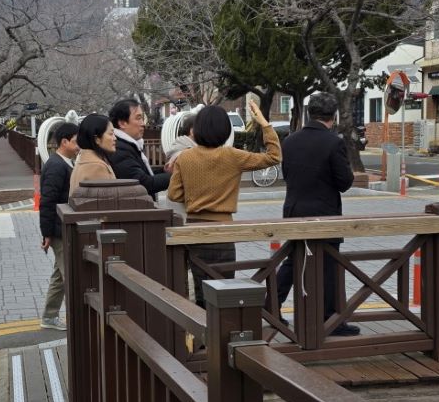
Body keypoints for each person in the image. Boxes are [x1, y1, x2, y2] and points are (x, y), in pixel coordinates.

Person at [168, 101, 280, 307]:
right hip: (223, 232)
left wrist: (196, 193)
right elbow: (274, 157)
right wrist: (263, 123)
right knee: (224, 293)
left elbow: (174, 195)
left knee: (201, 293)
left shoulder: (185, 157)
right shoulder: (232, 156)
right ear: (225, 129)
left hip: (195, 231)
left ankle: (202, 336)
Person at [274, 93, 360, 337]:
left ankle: (271, 305)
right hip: (324, 212)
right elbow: (344, 182)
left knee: (292, 262)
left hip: (294, 209)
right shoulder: (333, 142)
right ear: (332, 116)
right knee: (330, 264)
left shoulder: (289, 141)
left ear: (308, 113)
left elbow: (288, 175)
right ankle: (331, 319)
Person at [38, 122, 79, 331]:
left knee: (60, 275)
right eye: (76, 140)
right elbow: (47, 201)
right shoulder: (57, 165)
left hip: (59, 228)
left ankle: (49, 316)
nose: (79, 144)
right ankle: (76, 320)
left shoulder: (64, 162)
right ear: (65, 142)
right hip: (58, 229)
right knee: (69, 275)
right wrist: (46, 233)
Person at [108, 99, 170, 200]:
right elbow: (143, 183)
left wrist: (164, 171)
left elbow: (143, 174)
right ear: (122, 123)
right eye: (138, 118)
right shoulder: (119, 149)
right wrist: (175, 176)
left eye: (142, 118)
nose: (143, 123)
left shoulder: (127, 145)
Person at [70, 114, 117, 193]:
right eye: (111, 134)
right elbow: (106, 202)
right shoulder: (96, 166)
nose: (115, 138)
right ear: (97, 139)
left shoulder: (84, 161)